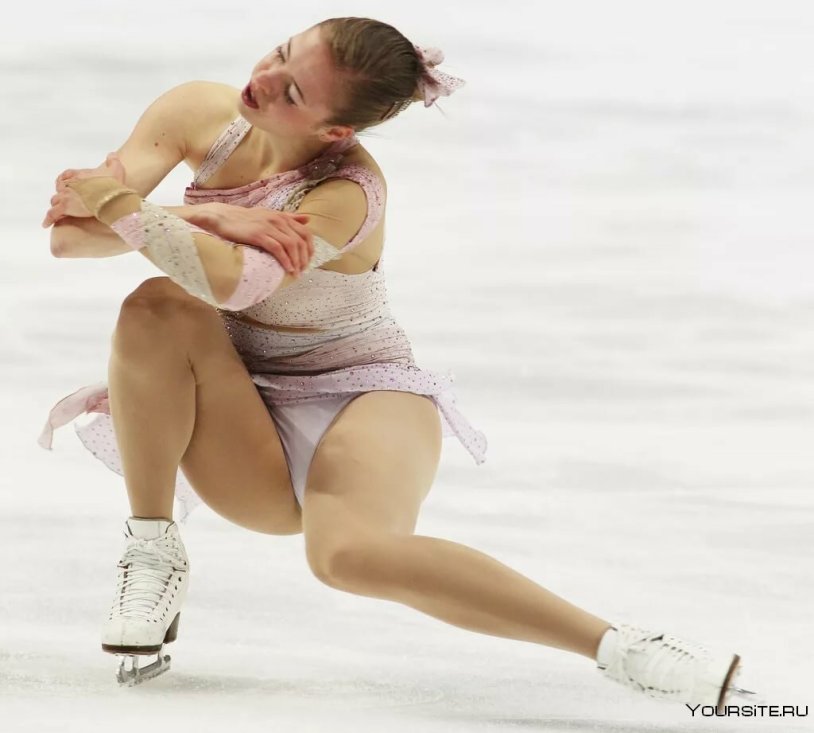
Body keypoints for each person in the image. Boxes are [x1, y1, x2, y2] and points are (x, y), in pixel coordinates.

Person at [37, 16, 751, 702]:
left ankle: (623, 647)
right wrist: (207, 215)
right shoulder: (199, 110)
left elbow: (230, 277)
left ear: (334, 131)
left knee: (345, 555)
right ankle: (153, 548)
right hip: (243, 411)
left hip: (365, 395)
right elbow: (70, 237)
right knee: (157, 307)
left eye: (293, 91)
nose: (265, 79)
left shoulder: (346, 192)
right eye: (280, 53)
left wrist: (132, 203)